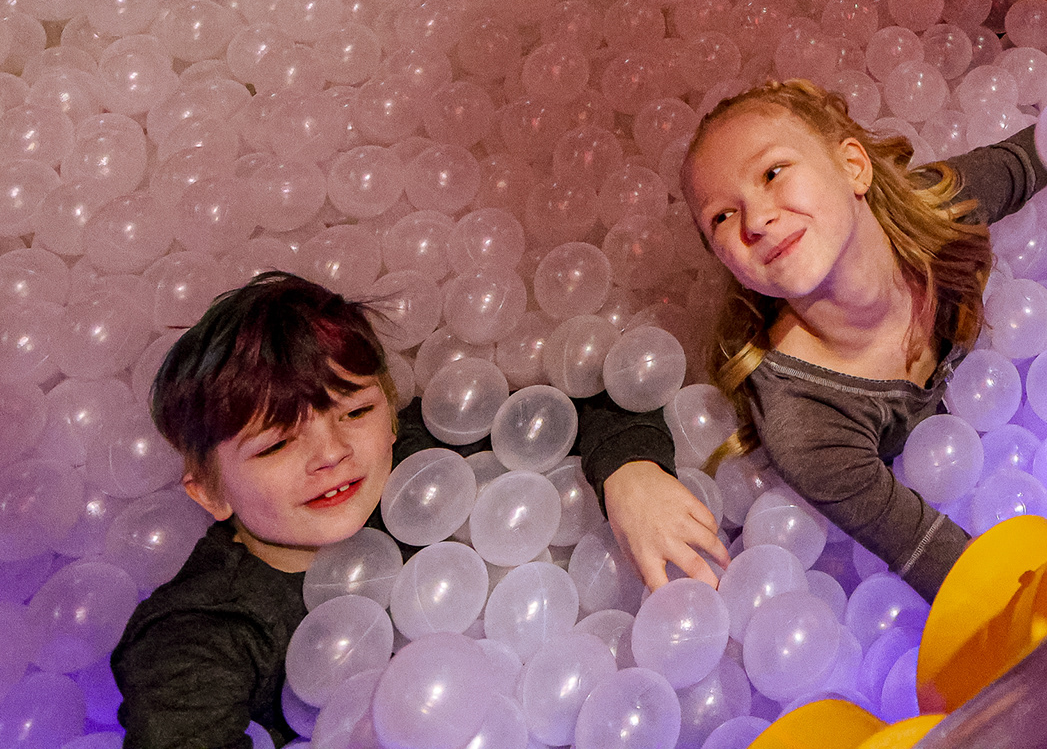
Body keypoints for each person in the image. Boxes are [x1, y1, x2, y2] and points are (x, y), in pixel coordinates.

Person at [111, 272, 722, 749]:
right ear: (210, 493)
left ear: (393, 407)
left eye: (354, 412)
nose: (333, 455)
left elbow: (584, 404)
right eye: (276, 443)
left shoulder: (422, 461)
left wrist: (631, 474)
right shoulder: (200, 631)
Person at [679, 80, 1047, 601]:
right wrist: (1034, 564)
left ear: (853, 167)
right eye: (721, 216)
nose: (756, 220)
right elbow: (954, 573)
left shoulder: (942, 210)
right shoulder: (805, 424)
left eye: (773, 172)